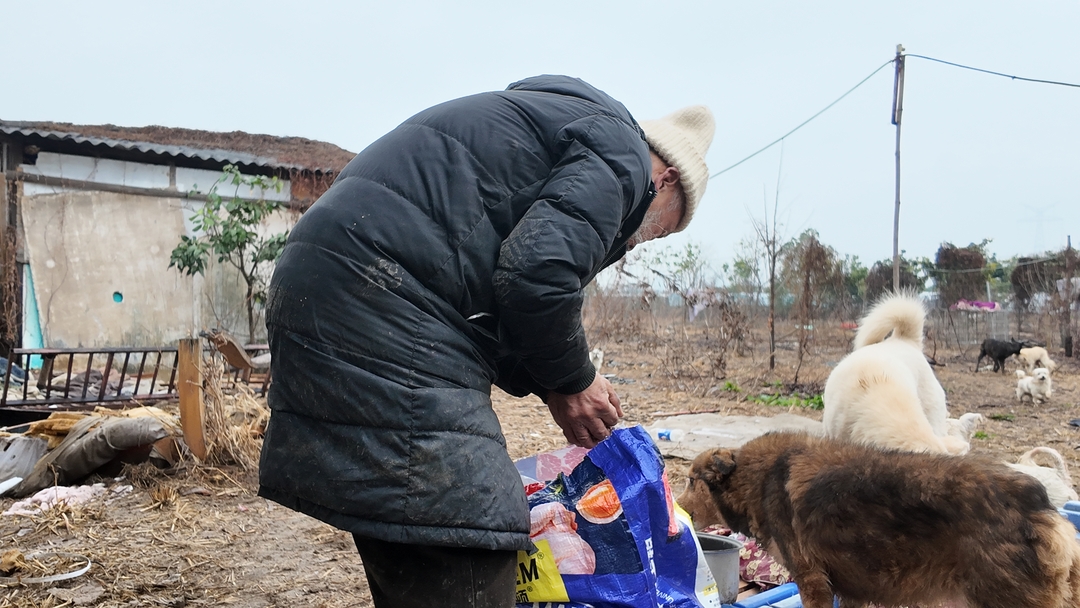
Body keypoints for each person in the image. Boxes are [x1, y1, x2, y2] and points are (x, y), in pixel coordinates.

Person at [258, 75, 715, 608]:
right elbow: (537, 277)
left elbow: (498, 301)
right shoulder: (621, 157)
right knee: (469, 534)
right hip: (383, 298)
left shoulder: (554, 129)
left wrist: (554, 384)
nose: (642, 240)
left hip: (331, 283)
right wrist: (574, 379)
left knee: (407, 519)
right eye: (663, 229)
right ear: (667, 179)